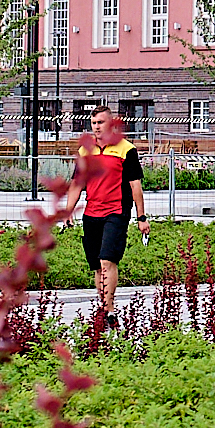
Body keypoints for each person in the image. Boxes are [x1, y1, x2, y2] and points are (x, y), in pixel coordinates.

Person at [68, 109, 147, 318]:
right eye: (93, 122)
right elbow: (77, 184)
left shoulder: (126, 150)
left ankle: (109, 308)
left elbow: (135, 185)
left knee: (107, 261)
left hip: (117, 212)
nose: (96, 126)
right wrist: (68, 211)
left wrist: (141, 217)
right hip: (91, 211)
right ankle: (103, 305)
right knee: (96, 265)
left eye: (100, 122)